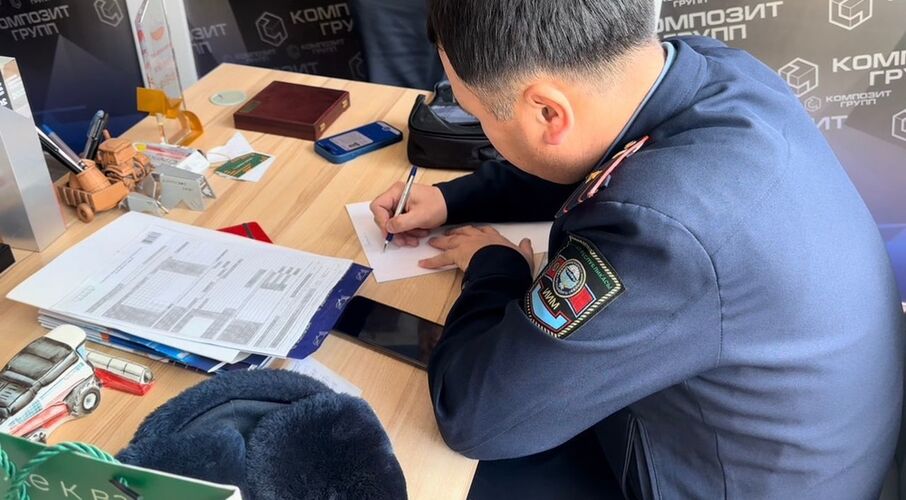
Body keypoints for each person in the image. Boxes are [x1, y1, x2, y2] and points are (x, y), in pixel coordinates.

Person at [369, 1, 905, 498]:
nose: (482, 128)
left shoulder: (659, 234)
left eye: (478, 113)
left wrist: (495, 266)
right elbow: (599, 155)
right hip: (810, 447)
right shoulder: (714, 70)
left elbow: (476, 418)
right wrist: (454, 198)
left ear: (548, 113)